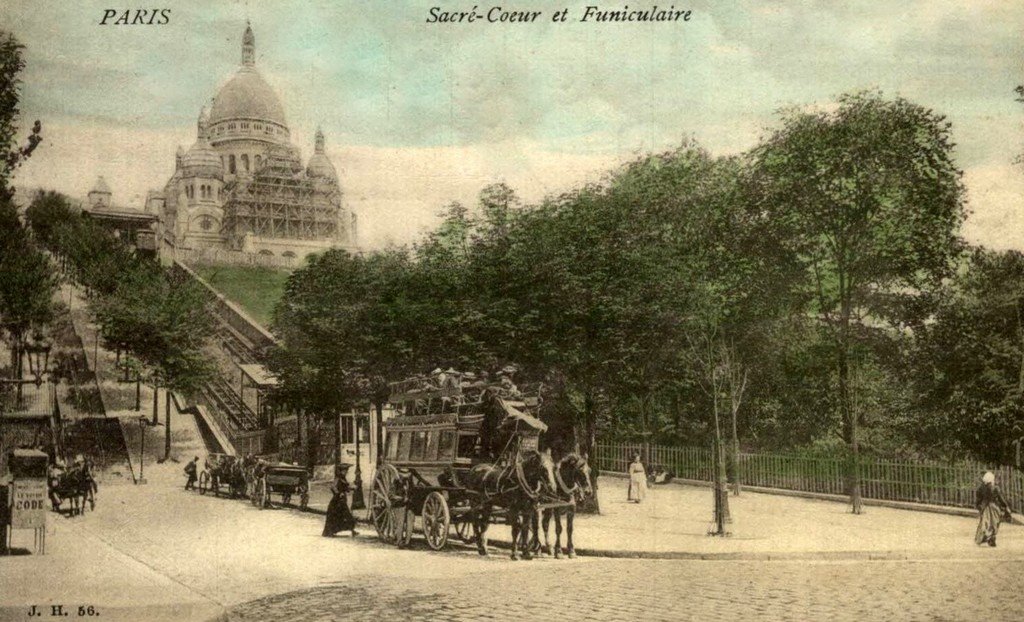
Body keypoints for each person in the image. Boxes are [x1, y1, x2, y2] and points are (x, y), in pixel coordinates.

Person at [975, 471, 1012, 547]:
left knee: (985, 523)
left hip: (985, 507)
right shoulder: (995, 488)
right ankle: (991, 538)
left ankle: (985, 537)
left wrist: (978, 506)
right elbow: (1001, 498)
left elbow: (978, 499)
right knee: (994, 523)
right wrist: (1006, 506)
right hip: (994, 507)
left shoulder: (980, 488)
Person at [323, 464, 358, 538]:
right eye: (344, 471)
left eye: (346, 471)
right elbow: (333, 487)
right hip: (336, 501)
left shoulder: (343, 479)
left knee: (346, 515)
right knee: (337, 516)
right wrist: (339, 493)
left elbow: (345, 487)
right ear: (341, 471)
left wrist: (352, 488)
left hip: (342, 501)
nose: (345, 472)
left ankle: (352, 530)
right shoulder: (337, 478)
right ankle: (330, 531)